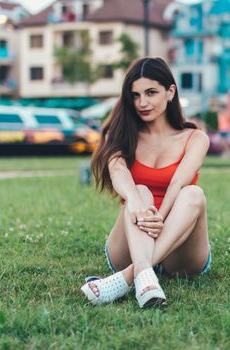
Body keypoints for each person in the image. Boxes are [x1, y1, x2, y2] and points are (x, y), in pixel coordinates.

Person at [81, 57, 211, 308]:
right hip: (131, 242)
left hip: (179, 246)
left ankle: (129, 277)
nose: (142, 102)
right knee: (139, 191)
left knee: (193, 194)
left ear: (170, 91)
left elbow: (176, 185)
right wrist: (137, 204)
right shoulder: (121, 135)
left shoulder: (195, 138)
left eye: (151, 92)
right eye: (135, 95)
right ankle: (143, 273)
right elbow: (121, 176)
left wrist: (158, 221)